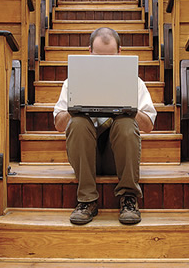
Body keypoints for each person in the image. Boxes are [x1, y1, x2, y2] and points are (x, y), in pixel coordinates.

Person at [53, 27, 157, 225]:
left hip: (116, 159)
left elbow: (149, 126)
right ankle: (87, 201)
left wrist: (131, 109)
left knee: (126, 123)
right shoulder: (72, 82)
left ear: (120, 53)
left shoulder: (135, 82)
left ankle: (129, 198)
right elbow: (59, 125)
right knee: (77, 122)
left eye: (110, 58)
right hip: (86, 159)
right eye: (99, 57)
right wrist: (75, 109)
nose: (105, 63)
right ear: (89, 52)